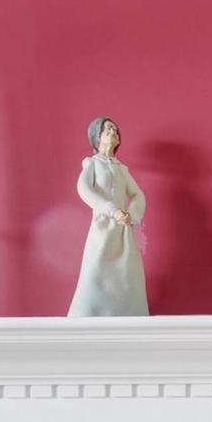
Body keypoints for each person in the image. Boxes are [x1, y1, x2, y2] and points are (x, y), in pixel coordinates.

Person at [68, 117, 147, 316]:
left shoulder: (121, 169)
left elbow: (138, 194)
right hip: (103, 226)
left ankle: (128, 313)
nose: (113, 132)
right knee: (97, 268)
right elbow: (84, 188)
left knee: (127, 272)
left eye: (115, 130)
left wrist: (132, 214)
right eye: (108, 130)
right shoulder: (92, 164)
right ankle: (91, 312)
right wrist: (110, 209)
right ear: (97, 138)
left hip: (123, 229)